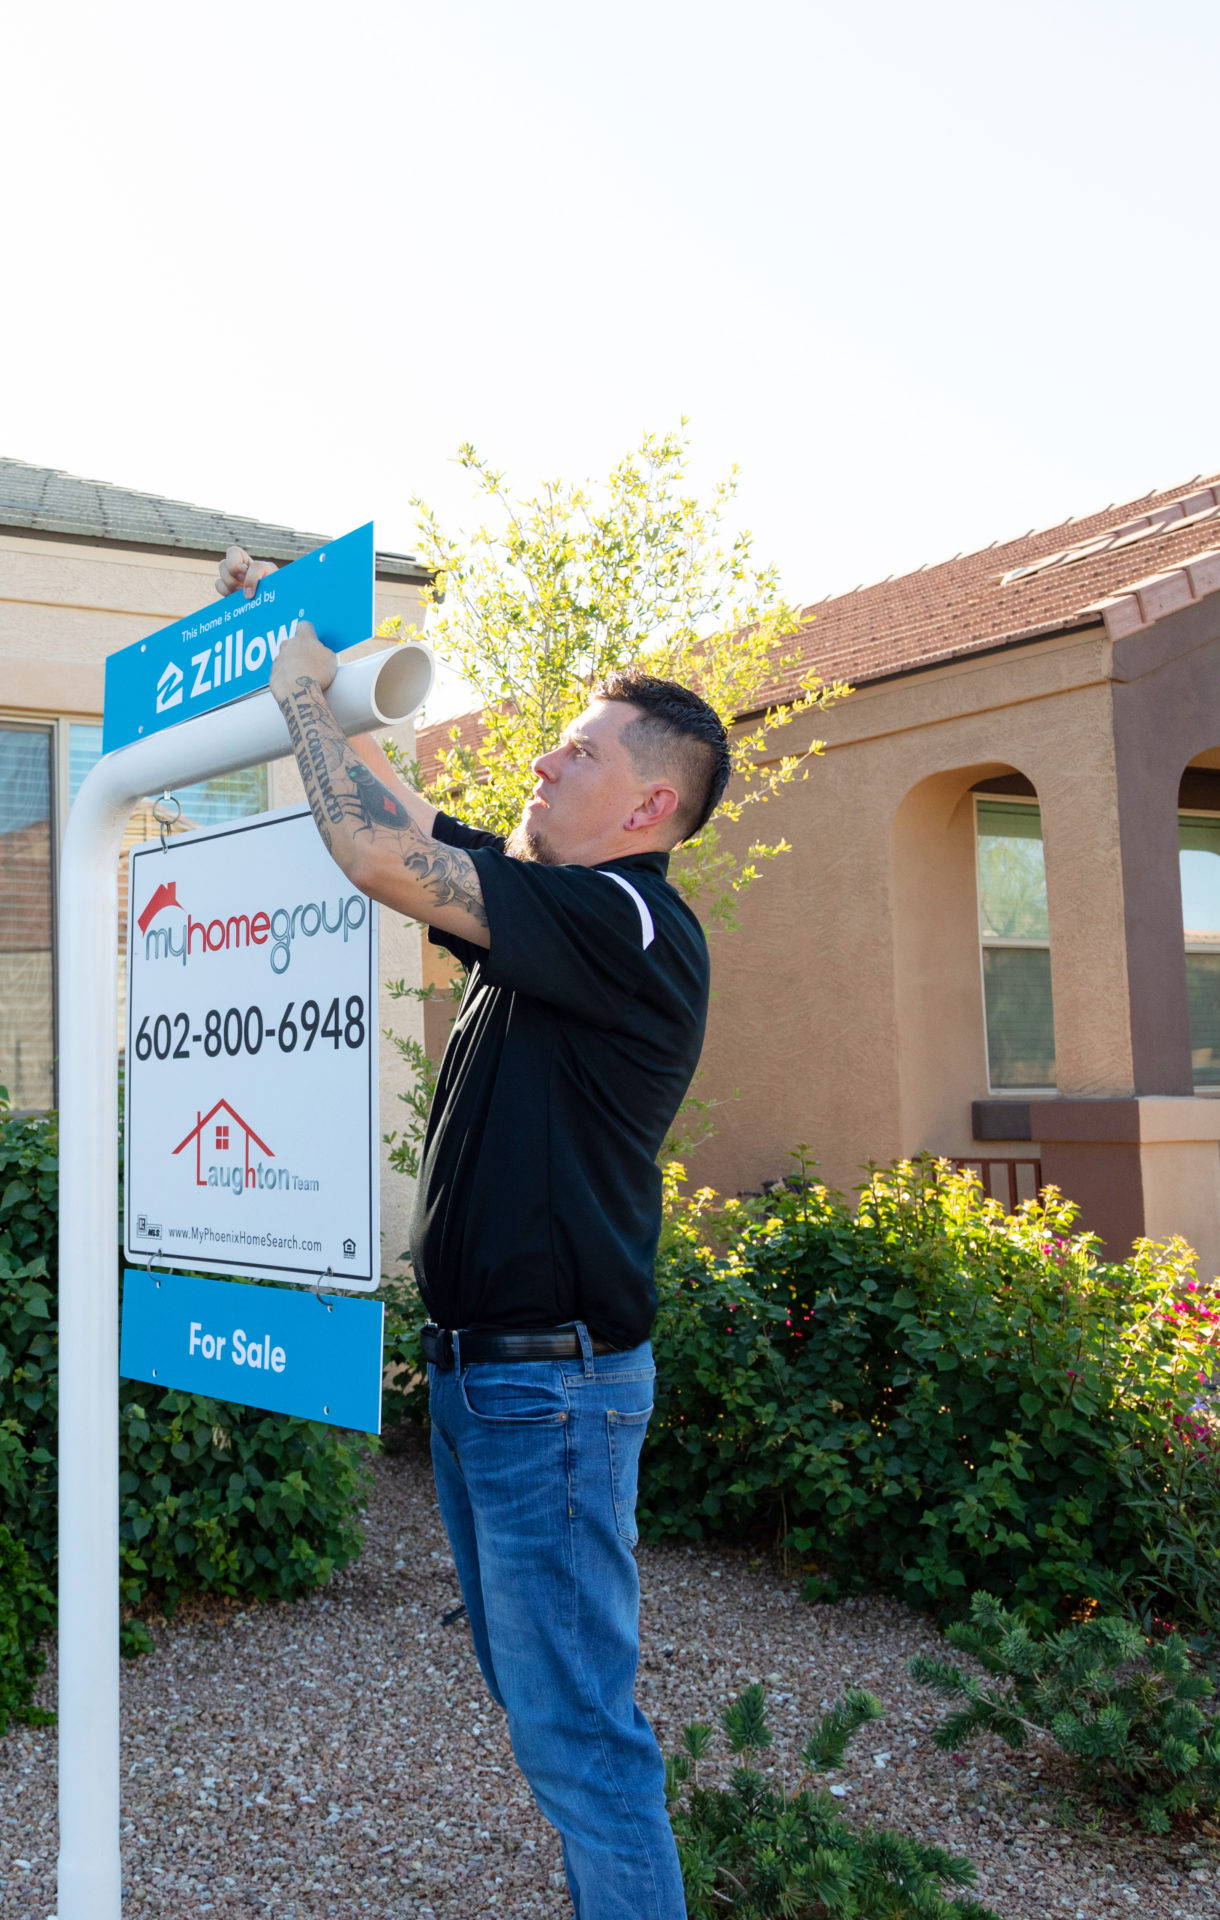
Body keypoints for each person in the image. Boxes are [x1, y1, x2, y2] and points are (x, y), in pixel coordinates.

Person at [220, 548, 725, 1920]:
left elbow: (370, 852)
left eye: (578, 753)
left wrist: (310, 708)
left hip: (547, 1385)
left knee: (579, 1729)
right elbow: (416, 823)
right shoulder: (560, 917)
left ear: (654, 800)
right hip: (491, 1377)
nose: (546, 764)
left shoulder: (625, 921)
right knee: (542, 1691)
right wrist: (295, 646)